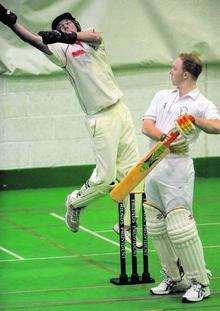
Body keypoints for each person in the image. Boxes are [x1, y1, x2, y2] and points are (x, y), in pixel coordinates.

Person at [0, 4, 143, 247]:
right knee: (106, 178)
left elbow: (96, 36)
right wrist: (9, 19)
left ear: (75, 24)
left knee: (135, 175)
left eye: (68, 23)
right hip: (100, 118)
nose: (65, 27)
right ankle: (74, 202)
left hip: (121, 110)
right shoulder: (63, 52)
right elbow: (32, 40)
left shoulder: (90, 39)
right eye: (60, 26)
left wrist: (68, 35)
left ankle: (126, 226)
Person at [142, 52, 220, 303]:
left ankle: (200, 283)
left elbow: (218, 126)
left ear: (186, 73)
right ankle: (175, 278)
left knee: (180, 227)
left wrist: (195, 120)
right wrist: (165, 138)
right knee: (156, 225)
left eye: (174, 68)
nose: (170, 71)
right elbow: (146, 125)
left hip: (178, 170)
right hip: (154, 165)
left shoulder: (201, 102)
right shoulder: (162, 96)